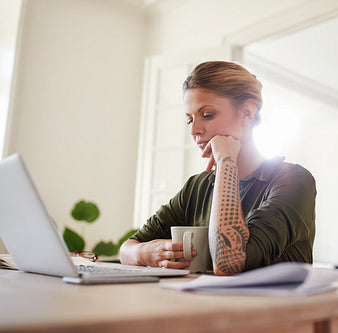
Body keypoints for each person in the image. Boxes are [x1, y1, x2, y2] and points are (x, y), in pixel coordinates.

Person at [120, 61, 316, 276]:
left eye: (207, 115)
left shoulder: (294, 181)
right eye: (190, 120)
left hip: (273, 308)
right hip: (206, 306)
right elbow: (127, 249)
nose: (195, 130)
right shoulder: (197, 186)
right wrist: (146, 252)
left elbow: (229, 263)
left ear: (247, 112)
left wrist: (226, 161)